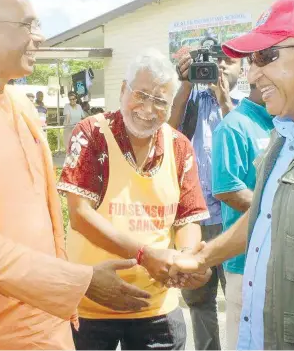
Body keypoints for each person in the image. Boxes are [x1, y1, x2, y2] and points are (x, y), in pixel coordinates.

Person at [0, 0, 151, 350]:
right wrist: (79, 282)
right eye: (28, 25)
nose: (38, 37)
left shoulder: (20, 104)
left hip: (43, 321)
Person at [170, 0, 294, 350]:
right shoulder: (285, 134)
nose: (251, 74)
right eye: (250, 61)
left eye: (265, 57)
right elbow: (267, 214)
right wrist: (202, 257)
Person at [58, 49, 212, 350]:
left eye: (160, 101)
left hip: (155, 308)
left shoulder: (179, 147)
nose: (148, 108)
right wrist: (145, 256)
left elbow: (188, 218)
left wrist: (186, 258)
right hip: (91, 303)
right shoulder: (91, 134)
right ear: (122, 90)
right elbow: (79, 215)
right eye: (140, 94)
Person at [167, 43, 245, 351]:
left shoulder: (246, 107)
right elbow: (168, 130)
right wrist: (185, 83)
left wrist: (224, 99)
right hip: (195, 218)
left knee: (239, 297)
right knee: (199, 302)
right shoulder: (188, 101)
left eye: (229, 62)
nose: (221, 67)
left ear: (243, 69)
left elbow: (244, 145)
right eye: (214, 62)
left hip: (234, 218)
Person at [210, 75, 273, 349]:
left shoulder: (283, 122)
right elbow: (227, 189)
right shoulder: (234, 126)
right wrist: (281, 208)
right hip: (243, 263)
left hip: (279, 261)